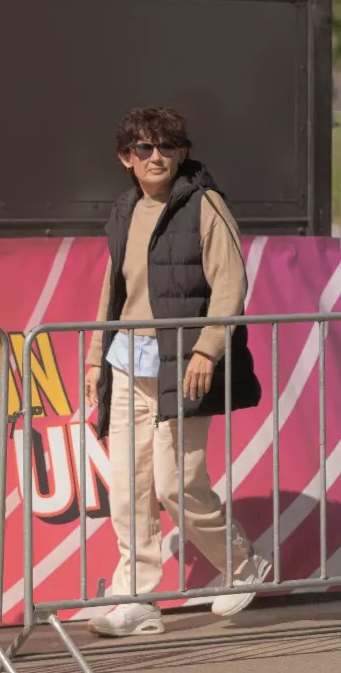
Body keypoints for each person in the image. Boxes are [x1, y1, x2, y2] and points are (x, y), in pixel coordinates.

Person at [84, 107, 268, 638]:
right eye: (144, 149)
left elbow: (230, 282)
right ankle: (138, 598)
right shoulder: (124, 210)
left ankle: (243, 566)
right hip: (127, 364)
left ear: (182, 152)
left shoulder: (205, 204)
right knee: (128, 487)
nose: (156, 156)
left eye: (166, 146)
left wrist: (208, 352)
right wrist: (98, 356)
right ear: (126, 159)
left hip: (183, 365)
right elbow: (112, 293)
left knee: (176, 484)